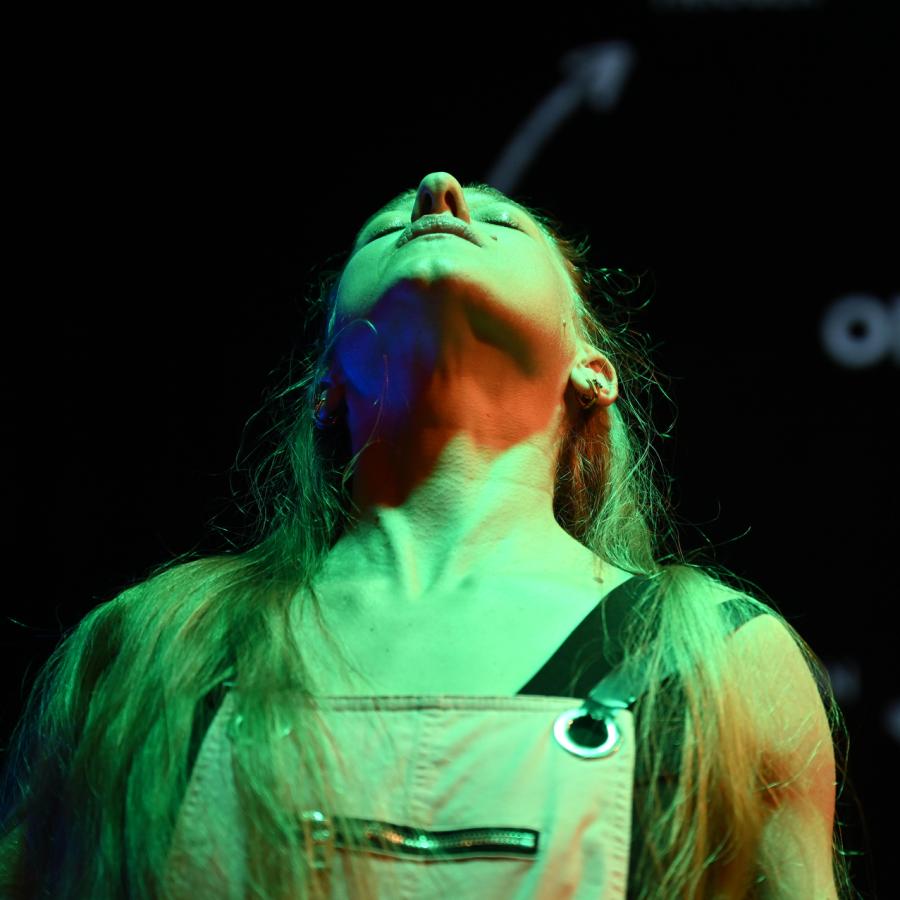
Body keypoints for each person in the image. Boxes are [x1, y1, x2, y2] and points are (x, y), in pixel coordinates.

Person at [0, 172, 855, 899]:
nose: (436, 191)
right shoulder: (152, 644)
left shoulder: (710, 656)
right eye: (381, 231)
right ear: (325, 382)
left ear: (592, 369)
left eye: (503, 220)